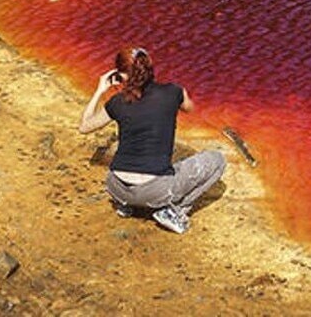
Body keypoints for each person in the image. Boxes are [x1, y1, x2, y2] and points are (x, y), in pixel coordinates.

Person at [78, 47, 226, 234]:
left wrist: (100, 90)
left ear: (120, 75)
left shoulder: (117, 102)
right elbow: (190, 108)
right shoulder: (173, 92)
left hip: (116, 187)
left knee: (145, 160)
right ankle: (174, 211)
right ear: (149, 68)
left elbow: (84, 126)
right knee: (218, 160)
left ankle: (125, 206)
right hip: (155, 192)